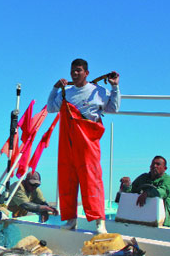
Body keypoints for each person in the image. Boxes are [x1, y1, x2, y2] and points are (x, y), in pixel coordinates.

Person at [47, 58, 120, 231]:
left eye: (79, 70)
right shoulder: (66, 92)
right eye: (73, 70)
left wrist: (115, 87)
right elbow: (51, 108)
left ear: (86, 73)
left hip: (88, 141)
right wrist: (55, 88)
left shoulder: (98, 91)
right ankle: (71, 220)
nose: (75, 73)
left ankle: (99, 222)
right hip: (68, 142)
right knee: (67, 179)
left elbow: (114, 108)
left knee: (91, 180)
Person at [119, 156, 170, 227]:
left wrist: (147, 193)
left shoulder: (167, 180)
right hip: (144, 221)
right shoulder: (143, 177)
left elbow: (162, 192)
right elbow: (131, 191)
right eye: (153, 164)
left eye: (158, 164)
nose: (154, 166)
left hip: (163, 224)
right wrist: (126, 185)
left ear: (165, 168)